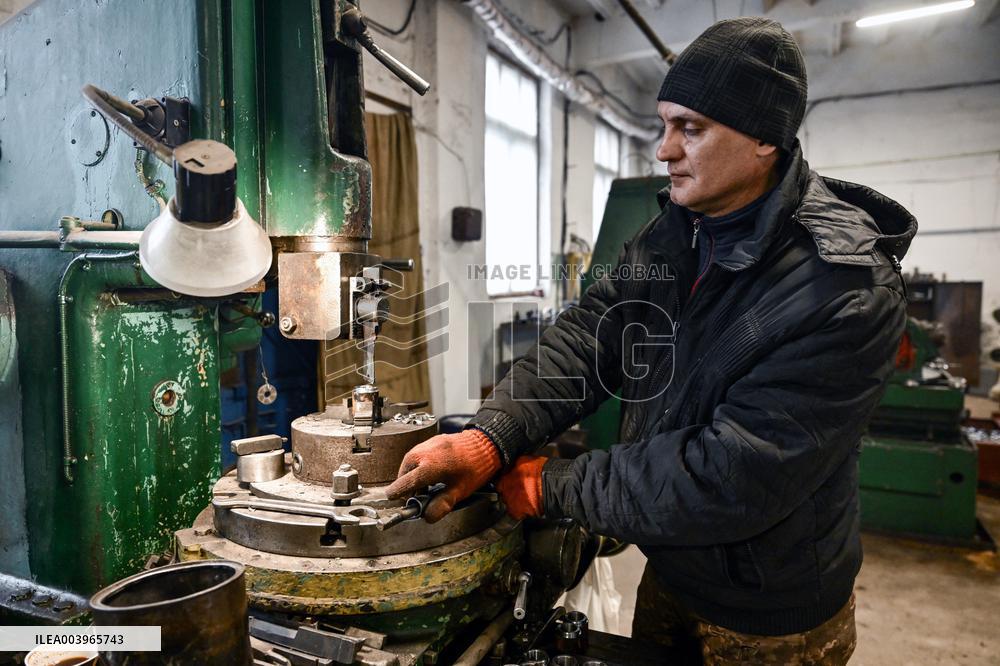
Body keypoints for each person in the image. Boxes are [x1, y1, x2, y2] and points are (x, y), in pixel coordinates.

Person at [386, 16, 916, 665]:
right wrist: (488, 437)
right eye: (663, 125)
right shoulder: (681, 230)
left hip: (770, 613)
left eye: (689, 128)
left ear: (764, 140)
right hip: (672, 565)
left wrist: (553, 486)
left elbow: (731, 477)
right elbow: (592, 336)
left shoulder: (844, 289)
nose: (663, 151)